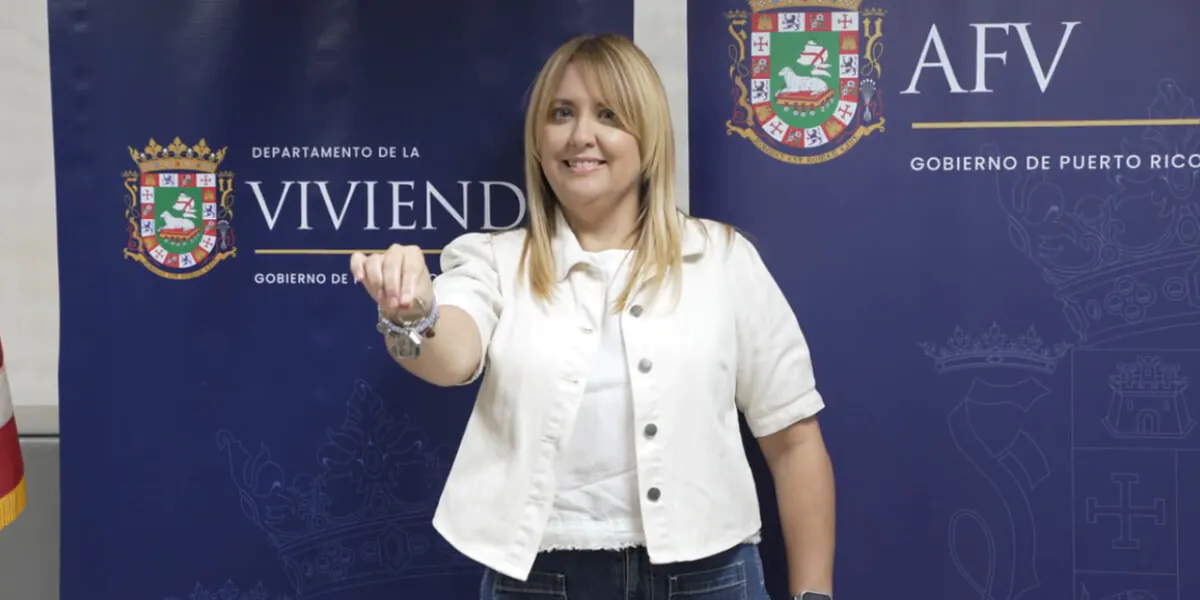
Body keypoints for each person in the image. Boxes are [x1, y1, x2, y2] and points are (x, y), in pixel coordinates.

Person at [350, 33, 836, 600]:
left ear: (648, 136)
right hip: (538, 583)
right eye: (562, 113)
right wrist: (413, 313)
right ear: (539, 139)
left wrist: (814, 594)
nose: (581, 135)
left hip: (712, 578)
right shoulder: (492, 260)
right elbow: (450, 356)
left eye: (608, 114)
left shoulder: (724, 259)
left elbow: (794, 442)